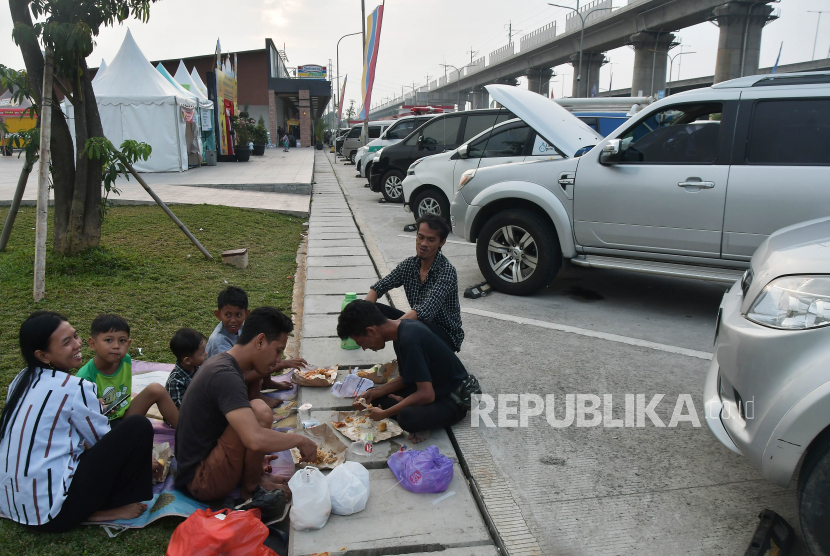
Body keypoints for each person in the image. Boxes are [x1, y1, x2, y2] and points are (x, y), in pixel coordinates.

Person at [0, 312, 159, 531]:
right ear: (43, 355)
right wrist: (142, 461)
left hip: (12, 504)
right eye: (67, 342)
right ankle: (95, 512)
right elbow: (102, 443)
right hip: (54, 515)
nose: (77, 344)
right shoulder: (75, 387)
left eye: (75, 336)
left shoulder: (20, 379)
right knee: (137, 426)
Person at [174, 307, 317, 502]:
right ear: (259, 341)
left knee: (256, 409)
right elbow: (254, 440)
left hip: (207, 462)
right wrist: (300, 440)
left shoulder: (223, 362)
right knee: (259, 412)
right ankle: (252, 486)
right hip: (202, 480)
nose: (278, 360)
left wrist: (252, 460)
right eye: (277, 351)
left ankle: (253, 477)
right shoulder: (225, 376)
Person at [337, 300, 469, 444]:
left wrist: (385, 414)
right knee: (373, 398)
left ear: (371, 331)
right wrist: (373, 393)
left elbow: (426, 394)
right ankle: (415, 406)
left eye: (362, 343)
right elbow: (407, 376)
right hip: (433, 387)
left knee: (407, 418)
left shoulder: (409, 340)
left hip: (453, 399)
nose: (364, 348)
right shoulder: (399, 333)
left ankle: (424, 420)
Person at [365, 214, 464, 352]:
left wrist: (386, 332)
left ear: (441, 242)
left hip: (445, 335)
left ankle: (406, 370)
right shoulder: (410, 265)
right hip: (419, 324)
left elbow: (425, 309)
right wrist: (363, 315)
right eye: (420, 237)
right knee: (372, 309)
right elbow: (379, 287)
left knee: (402, 331)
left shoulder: (446, 271)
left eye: (431, 240)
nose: (423, 244)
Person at [76, 314, 180, 428]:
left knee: (156, 389)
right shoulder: (84, 377)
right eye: (108, 340)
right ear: (92, 344)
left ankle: (186, 432)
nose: (116, 346)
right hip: (101, 426)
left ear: (128, 343)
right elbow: (80, 417)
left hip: (124, 416)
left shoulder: (126, 360)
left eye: (122, 341)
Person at [205, 286, 297, 407]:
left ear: (246, 314)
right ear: (218, 315)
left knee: (261, 355)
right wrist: (283, 364)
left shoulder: (246, 327)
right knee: (257, 357)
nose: (233, 320)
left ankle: (267, 383)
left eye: (238, 315)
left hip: (239, 370)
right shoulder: (219, 341)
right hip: (233, 377)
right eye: (228, 315)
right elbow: (238, 375)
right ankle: (254, 395)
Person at [165, 328, 207, 409]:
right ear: (187, 360)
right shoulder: (175, 381)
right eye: (202, 353)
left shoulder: (198, 367)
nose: (206, 353)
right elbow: (182, 409)